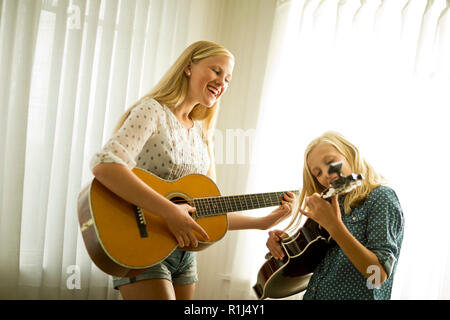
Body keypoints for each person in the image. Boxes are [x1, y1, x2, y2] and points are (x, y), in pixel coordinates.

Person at [90, 40, 294, 300]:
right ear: (188, 67)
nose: (222, 83)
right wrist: (169, 211)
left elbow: (208, 209)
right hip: (141, 241)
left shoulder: (201, 133)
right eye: (216, 71)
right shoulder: (152, 111)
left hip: (185, 252)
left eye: (228, 79)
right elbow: (105, 165)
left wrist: (262, 222)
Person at [266, 131, 404, 300]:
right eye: (318, 173)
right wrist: (288, 244)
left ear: (350, 154)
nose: (326, 174)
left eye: (331, 162)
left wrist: (335, 227)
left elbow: (378, 276)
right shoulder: (330, 205)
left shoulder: (381, 197)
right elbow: (314, 263)